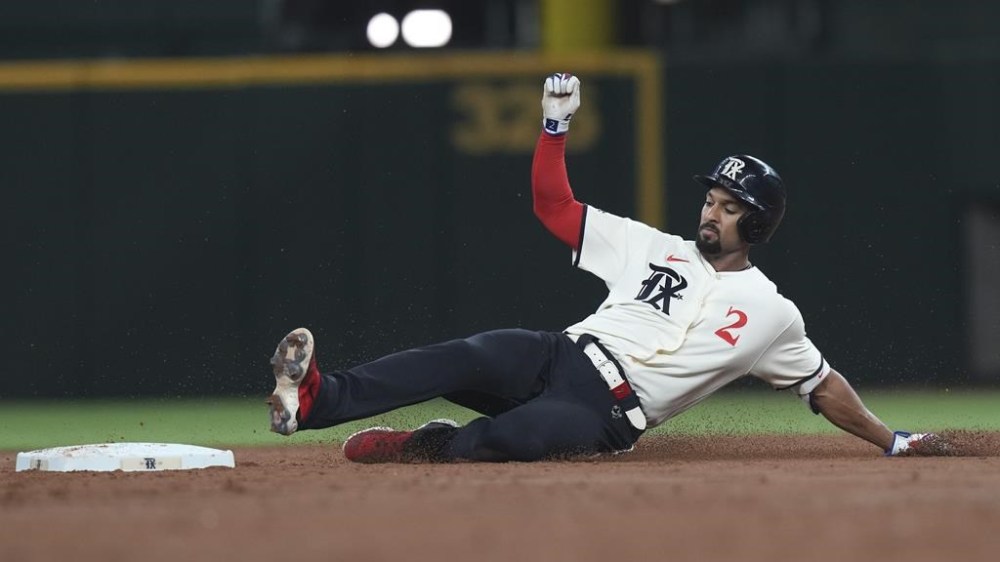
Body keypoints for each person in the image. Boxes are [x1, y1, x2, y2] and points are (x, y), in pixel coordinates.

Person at [266, 73, 934, 463]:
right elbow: (553, 205)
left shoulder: (773, 315)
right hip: (560, 355)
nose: (711, 212)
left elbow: (821, 385)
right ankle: (316, 398)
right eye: (709, 198)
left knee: (505, 441)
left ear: (757, 224)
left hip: (607, 412)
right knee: (464, 354)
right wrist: (555, 128)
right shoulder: (655, 248)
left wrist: (890, 440)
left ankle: (427, 448)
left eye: (729, 208)